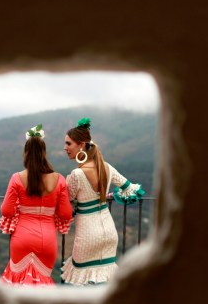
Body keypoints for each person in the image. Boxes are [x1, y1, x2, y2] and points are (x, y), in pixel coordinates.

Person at [61, 117, 145, 286]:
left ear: (82, 145)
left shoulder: (76, 175)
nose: (65, 148)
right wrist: (113, 195)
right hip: (109, 232)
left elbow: (65, 206)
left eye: (69, 144)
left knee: (81, 284)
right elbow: (132, 190)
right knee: (105, 285)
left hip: (87, 236)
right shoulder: (106, 167)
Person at [0, 124, 73, 286]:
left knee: (16, 284)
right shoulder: (59, 179)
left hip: (21, 239)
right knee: (42, 284)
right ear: (44, 153)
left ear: (26, 153)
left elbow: (7, 211)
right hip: (47, 241)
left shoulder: (17, 178)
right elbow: (66, 214)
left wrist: (20, 206)